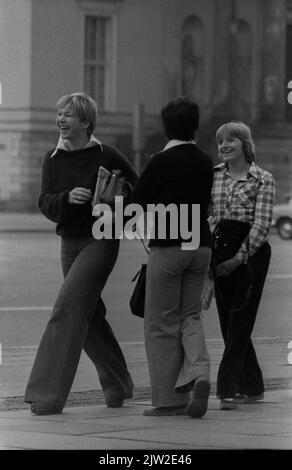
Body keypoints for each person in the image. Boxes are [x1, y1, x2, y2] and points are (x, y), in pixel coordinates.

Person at [24, 92, 137, 415]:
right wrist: (66, 198)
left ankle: (47, 394)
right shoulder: (52, 158)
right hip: (68, 242)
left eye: (68, 115)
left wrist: (117, 198)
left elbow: (138, 191)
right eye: (59, 113)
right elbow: (45, 202)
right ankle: (118, 382)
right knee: (89, 314)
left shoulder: (108, 155)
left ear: (86, 122)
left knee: (67, 307)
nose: (60, 119)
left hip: (100, 240)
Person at [132, 96, 214, 418]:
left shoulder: (159, 162)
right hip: (201, 247)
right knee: (189, 317)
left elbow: (138, 201)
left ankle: (169, 400)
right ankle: (200, 373)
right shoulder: (206, 160)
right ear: (195, 125)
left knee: (161, 323)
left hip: (169, 247)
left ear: (165, 126)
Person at [210, 121, 275, 410]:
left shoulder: (263, 179)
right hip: (220, 252)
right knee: (228, 324)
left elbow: (262, 223)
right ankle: (252, 386)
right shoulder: (213, 176)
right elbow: (209, 216)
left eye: (230, 141)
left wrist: (239, 257)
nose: (224, 146)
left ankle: (226, 389)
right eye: (220, 141)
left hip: (251, 254)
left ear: (245, 144)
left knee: (241, 322)